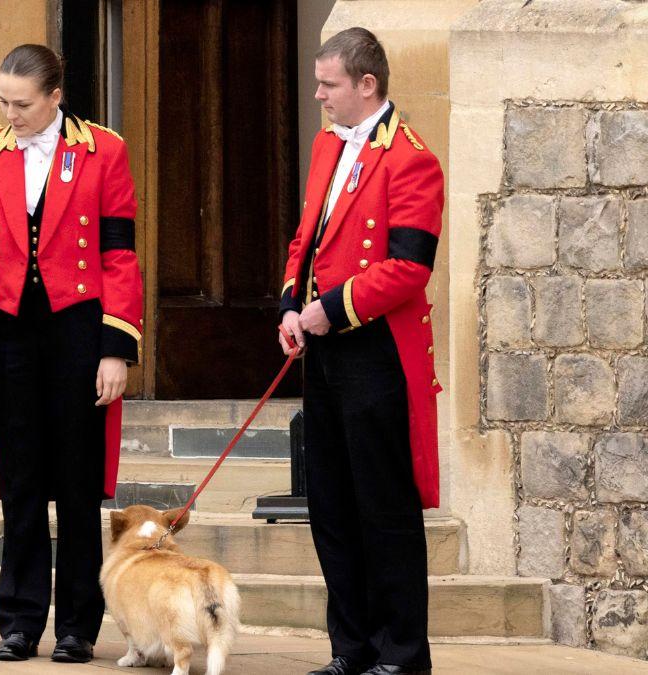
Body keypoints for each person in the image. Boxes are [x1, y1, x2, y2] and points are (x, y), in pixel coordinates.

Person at [0, 44, 144, 664]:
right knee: (21, 483)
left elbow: (119, 254)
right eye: (3, 102)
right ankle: (18, 621)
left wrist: (116, 348)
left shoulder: (103, 150)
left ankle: (77, 627)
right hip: (10, 334)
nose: (11, 116)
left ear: (56, 97)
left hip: (79, 331)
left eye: (23, 104)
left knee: (78, 483)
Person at [277, 28, 443, 675]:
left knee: (383, 507)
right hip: (324, 350)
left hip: (377, 352)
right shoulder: (328, 144)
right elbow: (307, 237)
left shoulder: (411, 158)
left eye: (329, 84)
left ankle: (401, 653)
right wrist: (291, 305)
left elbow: (410, 268)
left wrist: (332, 307)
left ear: (366, 84)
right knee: (332, 506)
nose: (318, 95)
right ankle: (351, 648)